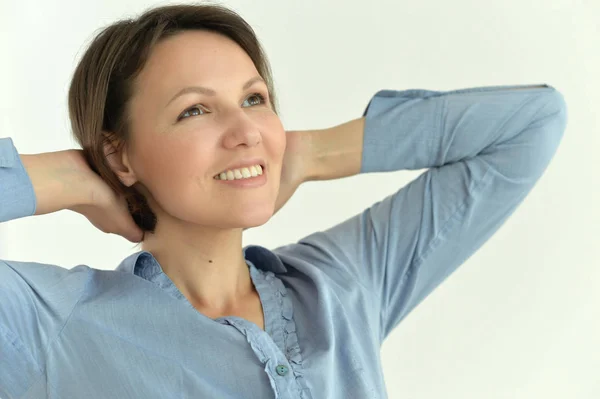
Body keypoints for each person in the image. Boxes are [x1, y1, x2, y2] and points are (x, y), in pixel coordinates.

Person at [0, 3, 568, 399]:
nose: (245, 130)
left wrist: (314, 154)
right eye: (194, 109)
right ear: (121, 156)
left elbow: (531, 124)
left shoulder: (343, 283)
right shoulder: (49, 325)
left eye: (254, 99)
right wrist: (68, 178)